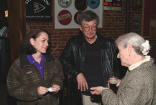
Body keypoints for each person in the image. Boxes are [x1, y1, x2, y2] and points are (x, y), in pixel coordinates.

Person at [59, 10, 126, 105]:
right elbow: (63, 61)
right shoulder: (74, 43)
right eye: (86, 26)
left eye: (93, 26)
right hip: (85, 92)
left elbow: (121, 65)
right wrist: (77, 73)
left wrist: (117, 78)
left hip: (106, 91)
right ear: (81, 28)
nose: (90, 30)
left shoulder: (108, 43)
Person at [90, 32, 156, 105]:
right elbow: (137, 89)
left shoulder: (140, 76)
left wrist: (104, 91)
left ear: (129, 49)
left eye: (119, 51)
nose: (118, 56)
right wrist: (122, 83)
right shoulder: (146, 66)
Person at [7, 29, 64, 105]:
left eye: (47, 41)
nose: (47, 44)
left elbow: (59, 76)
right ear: (32, 41)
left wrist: (57, 84)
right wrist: (35, 91)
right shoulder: (19, 64)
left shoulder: (53, 61)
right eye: (43, 40)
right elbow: (12, 89)